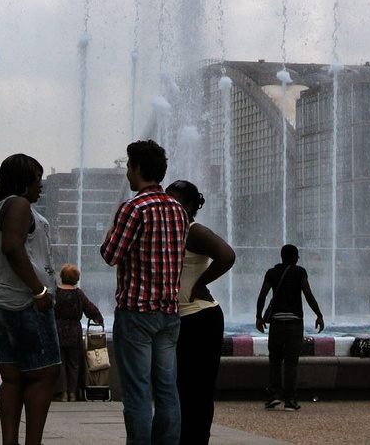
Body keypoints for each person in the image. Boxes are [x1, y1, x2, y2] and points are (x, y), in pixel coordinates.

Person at [100, 139, 190, 445]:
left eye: (127, 165)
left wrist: (111, 232)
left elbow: (110, 255)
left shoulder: (133, 208)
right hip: (169, 314)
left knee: (137, 391)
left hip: (137, 313)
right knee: (167, 390)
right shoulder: (178, 209)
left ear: (138, 168)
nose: (126, 171)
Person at [0, 154, 60, 445]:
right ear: (24, 182)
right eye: (37, 180)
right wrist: (39, 291)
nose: (41, 187)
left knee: (12, 378)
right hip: (24, 303)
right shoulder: (19, 204)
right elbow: (13, 248)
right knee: (43, 375)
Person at [167, 180, 235, 445]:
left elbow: (227, 255)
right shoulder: (172, 230)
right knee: (183, 388)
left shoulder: (193, 230)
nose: (168, 205)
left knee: (198, 390)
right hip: (184, 318)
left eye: (174, 201)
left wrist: (201, 283)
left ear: (188, 206)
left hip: (200, 317)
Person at [255, 244, 324, 411]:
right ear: (294, 257)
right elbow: (308, 294)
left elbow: (262, 295)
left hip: (277, 324)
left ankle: (273, 396)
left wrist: (258, 317)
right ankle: (290, 400)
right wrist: (319, 315)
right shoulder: (300, 272)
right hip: (294, 324)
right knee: (291, 363)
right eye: (297, 257)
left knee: (275, 360)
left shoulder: (272, 272)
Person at [54, 263, 104, 402]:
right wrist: (99, 319)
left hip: (57, 331)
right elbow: (90, 309)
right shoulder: (78, 294)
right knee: (74, 364)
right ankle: (73, 393)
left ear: (62, 277)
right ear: (76, 278)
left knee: (60, 363)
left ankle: (62, 392)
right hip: (74, 333)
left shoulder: (56, 292)